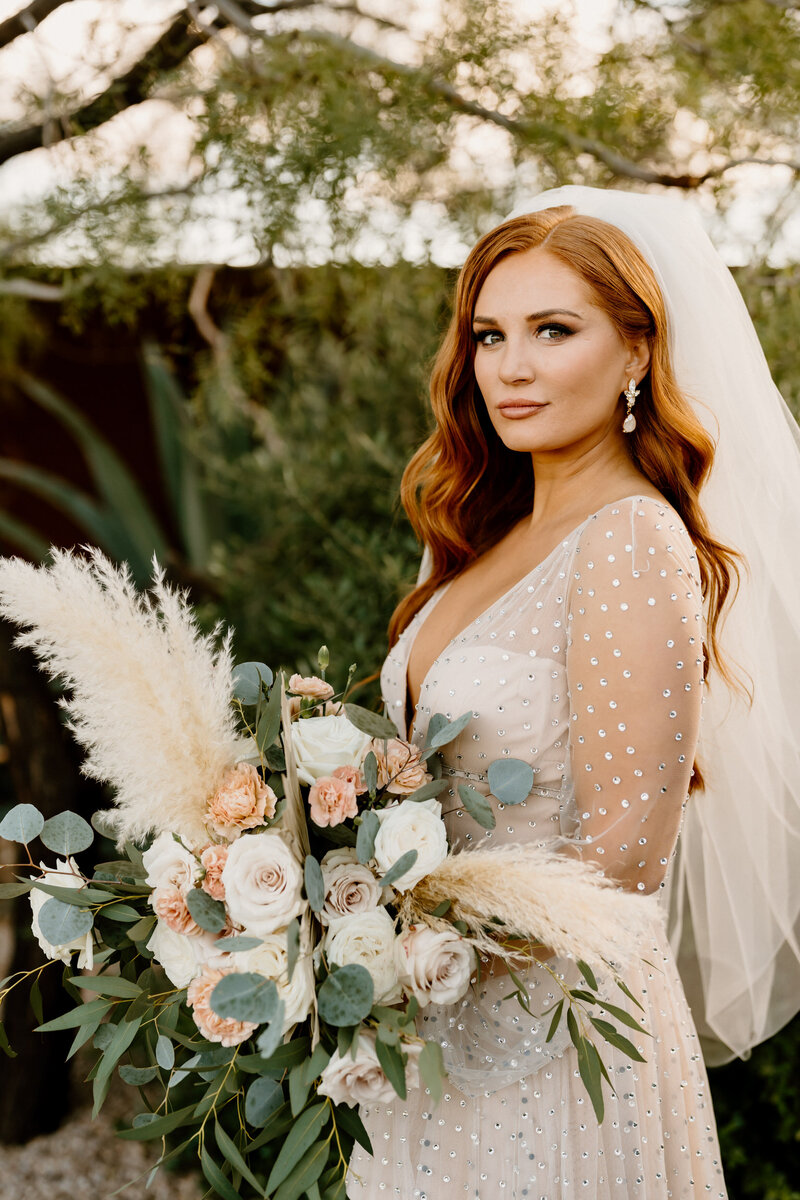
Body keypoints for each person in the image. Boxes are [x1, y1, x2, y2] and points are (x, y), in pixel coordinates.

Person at [346, 187, 800, 1198]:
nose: (510, 367)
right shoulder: (481, 542)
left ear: (636, 351)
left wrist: (392, 951)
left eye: (554, 330)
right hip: (421, 1029)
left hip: (547, 1044)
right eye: (488, 334)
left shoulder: (629, 540)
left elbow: (620, 864)